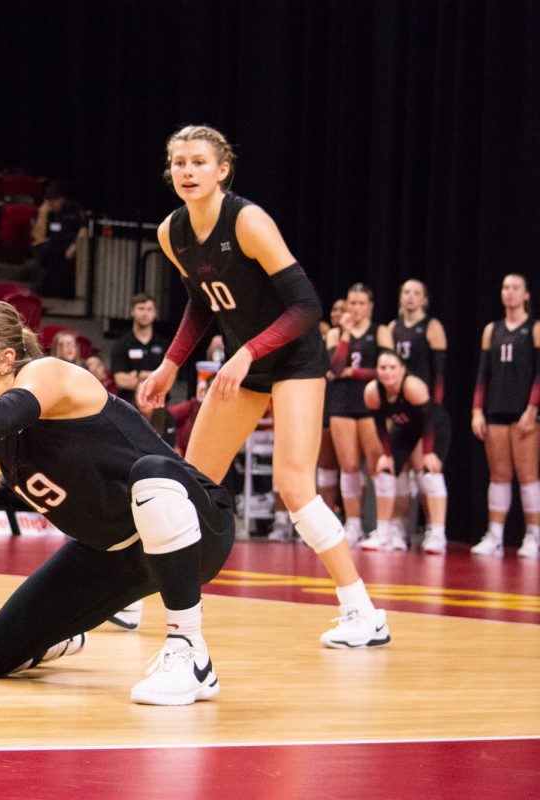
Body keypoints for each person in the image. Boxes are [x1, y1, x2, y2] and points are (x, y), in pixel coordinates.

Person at [0, 301, 234, 704]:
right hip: (111, 556)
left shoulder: (46, 374)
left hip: (200, 528)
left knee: (152, 472)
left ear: (6, 359)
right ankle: (61, 635)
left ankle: (191, 654)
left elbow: (10, 412)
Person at [138, 125, 388, 648]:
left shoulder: (247, 220)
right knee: (184, 483)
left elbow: (307, 307)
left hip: (293, 356)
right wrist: (169, 364)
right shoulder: (172, 232)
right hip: (245, 363)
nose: (188, 171)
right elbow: (203, 302)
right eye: (179, 162)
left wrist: (248, 350)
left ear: (222, 169)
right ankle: (134, 600)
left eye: (199, 162)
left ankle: (362, 610)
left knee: (294, 486)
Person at [470, 274, 540, 558]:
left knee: (527, 474)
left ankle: (533, 536)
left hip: (524, 411)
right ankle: (494, 535)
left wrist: (533, 409)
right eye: (505, 288)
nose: (509, 293)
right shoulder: (492, 329)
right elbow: (482, 374)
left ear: (526, 295)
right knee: (499, 475)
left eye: (515, 288)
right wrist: (477, 409)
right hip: (496, 408)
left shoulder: (534, 327)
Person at [377, 278, 449, 540]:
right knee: (399, 469)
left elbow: (439, 375)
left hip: (422, 408)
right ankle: (397, 527)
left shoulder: (431, 327)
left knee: (423, 467)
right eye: (406, 291)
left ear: (424, 300)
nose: (410, 297)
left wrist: (434, 408)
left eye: (416, 293)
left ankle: (434, 528)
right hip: (398, 409)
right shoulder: (393, 328)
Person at [362, 350, 449, 553]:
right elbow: (380, 426)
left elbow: (428, 421)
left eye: (393, 367)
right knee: (384, 472)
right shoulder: (372, 392)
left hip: (434, 427)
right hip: (405, 428)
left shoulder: (412, 386)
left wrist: (428, 453)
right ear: (377, 371)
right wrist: (387, 455)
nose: (388, 373)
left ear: (402, 370)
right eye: (383, 368)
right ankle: (385, 533)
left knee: (430, 473)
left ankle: (437, 534)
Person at [325, 283, 381, 545]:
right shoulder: (336, 334)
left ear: (369, 306)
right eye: (352, 303)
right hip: (342, 405)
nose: (356, 308)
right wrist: (346, 334)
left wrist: (355, 373)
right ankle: (353, 523)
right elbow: (334, 368)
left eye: (361, 303)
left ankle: (384, 526)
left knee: (376, 468)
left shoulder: (380, 332)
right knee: (348, 468)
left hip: (370, 406)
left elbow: (385, 370)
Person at [110, 293, 170, 407]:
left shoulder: (164, 345)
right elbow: (120, 381)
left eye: (149, 309)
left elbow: (167, 379)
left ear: (155, 313)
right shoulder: (121, 344)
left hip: (158, 405)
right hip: (127, 405)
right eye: (141, 309)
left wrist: (137, 375)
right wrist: (153, 377)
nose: (145, 313)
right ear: (132, 311)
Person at [32, 181, 87, 299]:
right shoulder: (45, 211)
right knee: (47, 252)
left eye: (55, 201)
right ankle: (50, 291)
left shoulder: (73, 209)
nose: (52, 204)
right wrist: (43, 214)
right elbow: (38, 237)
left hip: (70, 245)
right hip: (52, 245)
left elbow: (83, 230)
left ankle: (59, 292)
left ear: (62, 199)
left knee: (58, 257)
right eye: (49, 201)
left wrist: (75, 246)